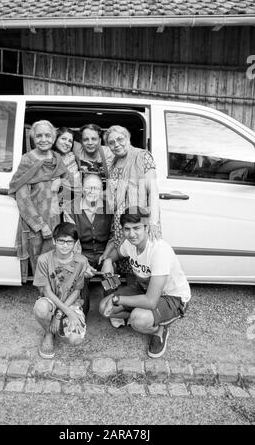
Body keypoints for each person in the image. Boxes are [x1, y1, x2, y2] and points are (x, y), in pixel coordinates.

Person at [99, 207, 191, 358]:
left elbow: (150, 301)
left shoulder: (158, 250)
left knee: (138, 319)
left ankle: (160, 329)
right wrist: (108, 260)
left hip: (172, 297)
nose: (132, 234)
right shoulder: (130, 243)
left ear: (147, 227)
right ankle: (150, 318)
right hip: (144, 289)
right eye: (127, 229)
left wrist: (118, 300)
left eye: (137, 228)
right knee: (104, 308)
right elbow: (118, 251)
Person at [8, 120, 70, 281]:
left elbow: (68, 180)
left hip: (55, 218)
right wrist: (41, 225)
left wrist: (60, 182)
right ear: (33, 138)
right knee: (39, 260)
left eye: (48, 135)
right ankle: (44, 296)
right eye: (39, 136)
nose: (44, 139)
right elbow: (22, 198)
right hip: (35, 223)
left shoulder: (56, 158)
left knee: (54, 257)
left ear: (54, 137)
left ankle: (54, 292)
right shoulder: (27, 160)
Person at [103, 125, 161, 273]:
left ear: (128, 138)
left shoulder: (142, 156)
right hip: (121, 224)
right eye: (111, 142)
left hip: (139, 222)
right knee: (127, 265)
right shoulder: (114, 163)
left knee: (144, 264)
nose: (116, 144)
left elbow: (153, 191)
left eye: (120, 139)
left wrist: (153, 223)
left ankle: (150, 294)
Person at [33, 222, 88, 359]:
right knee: (41, 308)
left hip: (71, 302)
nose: (65, 245)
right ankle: (49, 333)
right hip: (51, 300)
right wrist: (66, 312)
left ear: (75, 243)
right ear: (54, 241)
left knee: (75, 339)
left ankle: (60, 325)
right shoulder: (44, 260)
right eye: (61, 241)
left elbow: (77, 291)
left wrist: (60, 314)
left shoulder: (81, 261)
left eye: (69, 242)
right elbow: (47, 292)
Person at [64, 173, 114, 314]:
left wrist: (107, 257)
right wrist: (81, 260)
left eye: (96, 188)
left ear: (101, 190)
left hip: (104, 251)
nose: (93, 192)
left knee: (110, 275)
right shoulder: (70, 207)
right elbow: (70, 239)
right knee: (80, 274)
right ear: (82, 189)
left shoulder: (108, 207)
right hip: (81, 252)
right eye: (89, 188)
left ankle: (111, 309)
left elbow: (113, 236)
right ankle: (81, 311)